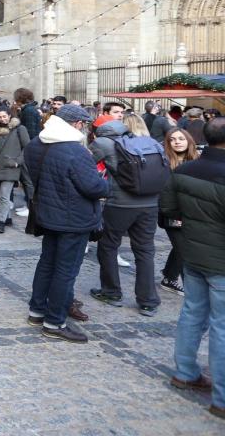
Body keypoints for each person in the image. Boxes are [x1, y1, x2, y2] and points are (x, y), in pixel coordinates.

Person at [25, 105, 110, 343]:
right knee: (65, 271)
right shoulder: (74, 150)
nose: (83, 128)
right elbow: (92, 187)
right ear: (75, 124)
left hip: (48, 213)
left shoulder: (35, 143)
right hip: (73, 218)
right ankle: (54, 323)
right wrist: (106, 185)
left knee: (47, 264)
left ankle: (37, 311)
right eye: (82, 124)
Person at [160, 117, 225, 420]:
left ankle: (185, 372)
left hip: (194, 253)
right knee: (220, 326)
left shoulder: (184, 170)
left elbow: (169, 211)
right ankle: (221, 399)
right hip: (217, 260)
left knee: (192, 312)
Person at [88, 114, 163, 317]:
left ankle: (111, 292)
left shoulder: (103, 142)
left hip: (120, 204)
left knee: (108, 245)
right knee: (145, 250)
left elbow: (85, 166)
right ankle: (148, 301)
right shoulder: (150, 143)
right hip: (150, 203)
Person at [159, 127, 198, 296]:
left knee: (180, 247)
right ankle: (192, 291)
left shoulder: (197, 160)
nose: (177, 142)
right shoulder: (164, 162)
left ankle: (169, 277)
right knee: (185, 249)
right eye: (173, 139)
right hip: (172, 214)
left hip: (193, 213)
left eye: (181, 138)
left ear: (188, 140)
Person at [0, 107, 29, 234]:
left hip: (10, 167)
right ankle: (7, 218)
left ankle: (1, 221)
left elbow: (28, 148)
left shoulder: (20, 129)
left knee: (4, 195)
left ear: (10, 115)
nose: (2, 119)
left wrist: (17, 162)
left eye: (4, 116)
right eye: (0, 117)